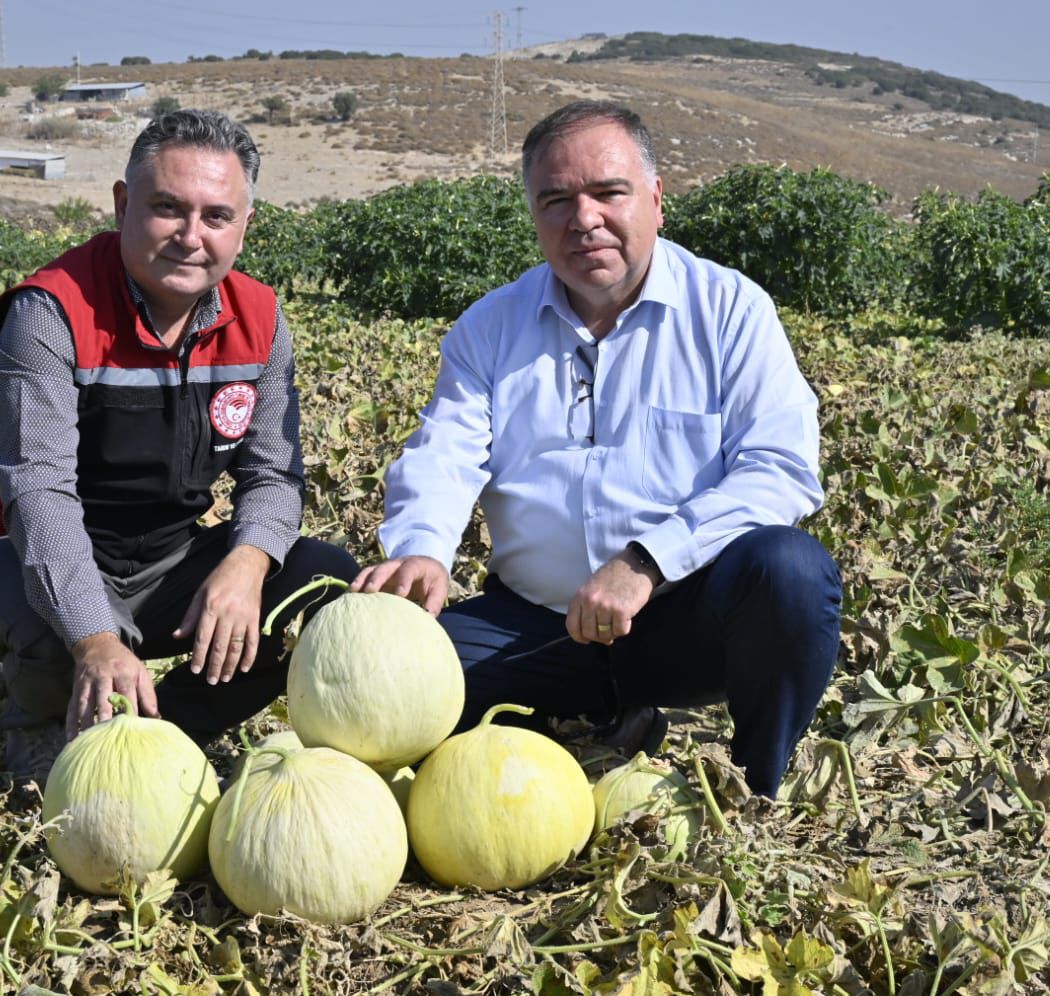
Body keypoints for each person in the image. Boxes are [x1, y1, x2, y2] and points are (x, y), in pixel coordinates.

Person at [351, 101, 842, 798]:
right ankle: (587, 716)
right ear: (533, 214)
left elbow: (779, 471)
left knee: (789, 571)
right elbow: (445, 449)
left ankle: (758, 787)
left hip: (679, 624)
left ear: (654, 199)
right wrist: (422, 547)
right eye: (556, 200)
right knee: (386, 684)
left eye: (607, 193)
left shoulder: (730, 310)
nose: (583, 220)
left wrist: (646, 561)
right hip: (534, 627)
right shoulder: (490, 326)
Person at [0, 109, 357, 780]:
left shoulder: (260, 320)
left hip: (161, 559)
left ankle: (165, 730)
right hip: (10, 556)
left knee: (320, 585)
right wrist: (96, 637)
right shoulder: (50, 311)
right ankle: (42, 723)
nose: (192, 237)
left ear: (244, 227)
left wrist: (246, 566)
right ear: (122, 203)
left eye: (216, 216)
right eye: (168, 209)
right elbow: (38, 495)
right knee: (58, 631)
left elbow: (273, 477)